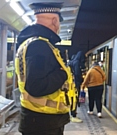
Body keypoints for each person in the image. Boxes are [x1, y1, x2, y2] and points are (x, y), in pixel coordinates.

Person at [15, 2, 72, 135]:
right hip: (43, 122)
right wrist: (63, 74)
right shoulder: (39, 46)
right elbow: (36, 86)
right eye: (59, 23)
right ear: (54, 21)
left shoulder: (30, 42)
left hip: (37, 119)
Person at [68, 51, 86, 122]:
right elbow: (77, 74)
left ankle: (73, 113)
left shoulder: (73, 61)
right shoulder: (77, 63)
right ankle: (73, 115)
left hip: (71, 83)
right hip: (75, 84)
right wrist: (81, 81)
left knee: (72, 99)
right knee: (74, 99)